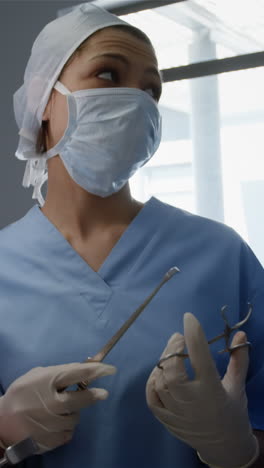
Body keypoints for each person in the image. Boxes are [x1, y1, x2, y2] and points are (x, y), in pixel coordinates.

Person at [0, 3, 263, 467]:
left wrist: (241, 450)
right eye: (107, 74)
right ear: (43, 101)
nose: (137, 101)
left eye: (151, 90)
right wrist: (3, 430)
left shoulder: (222, 255)